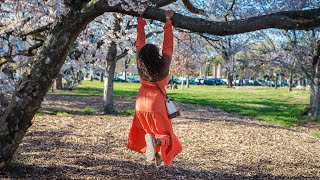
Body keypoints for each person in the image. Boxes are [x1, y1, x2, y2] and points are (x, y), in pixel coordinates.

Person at [127, 9, 182, 167]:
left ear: (142, 55)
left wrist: (140, 22)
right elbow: (168, 45)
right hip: (156, 103)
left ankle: (157, 160)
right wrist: (168, 21)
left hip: (141, 104)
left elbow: (139, 42)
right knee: (165, 135)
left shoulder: (140, 64)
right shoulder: (163, 64)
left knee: (148, 131)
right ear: (156, 54)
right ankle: (157, 143)